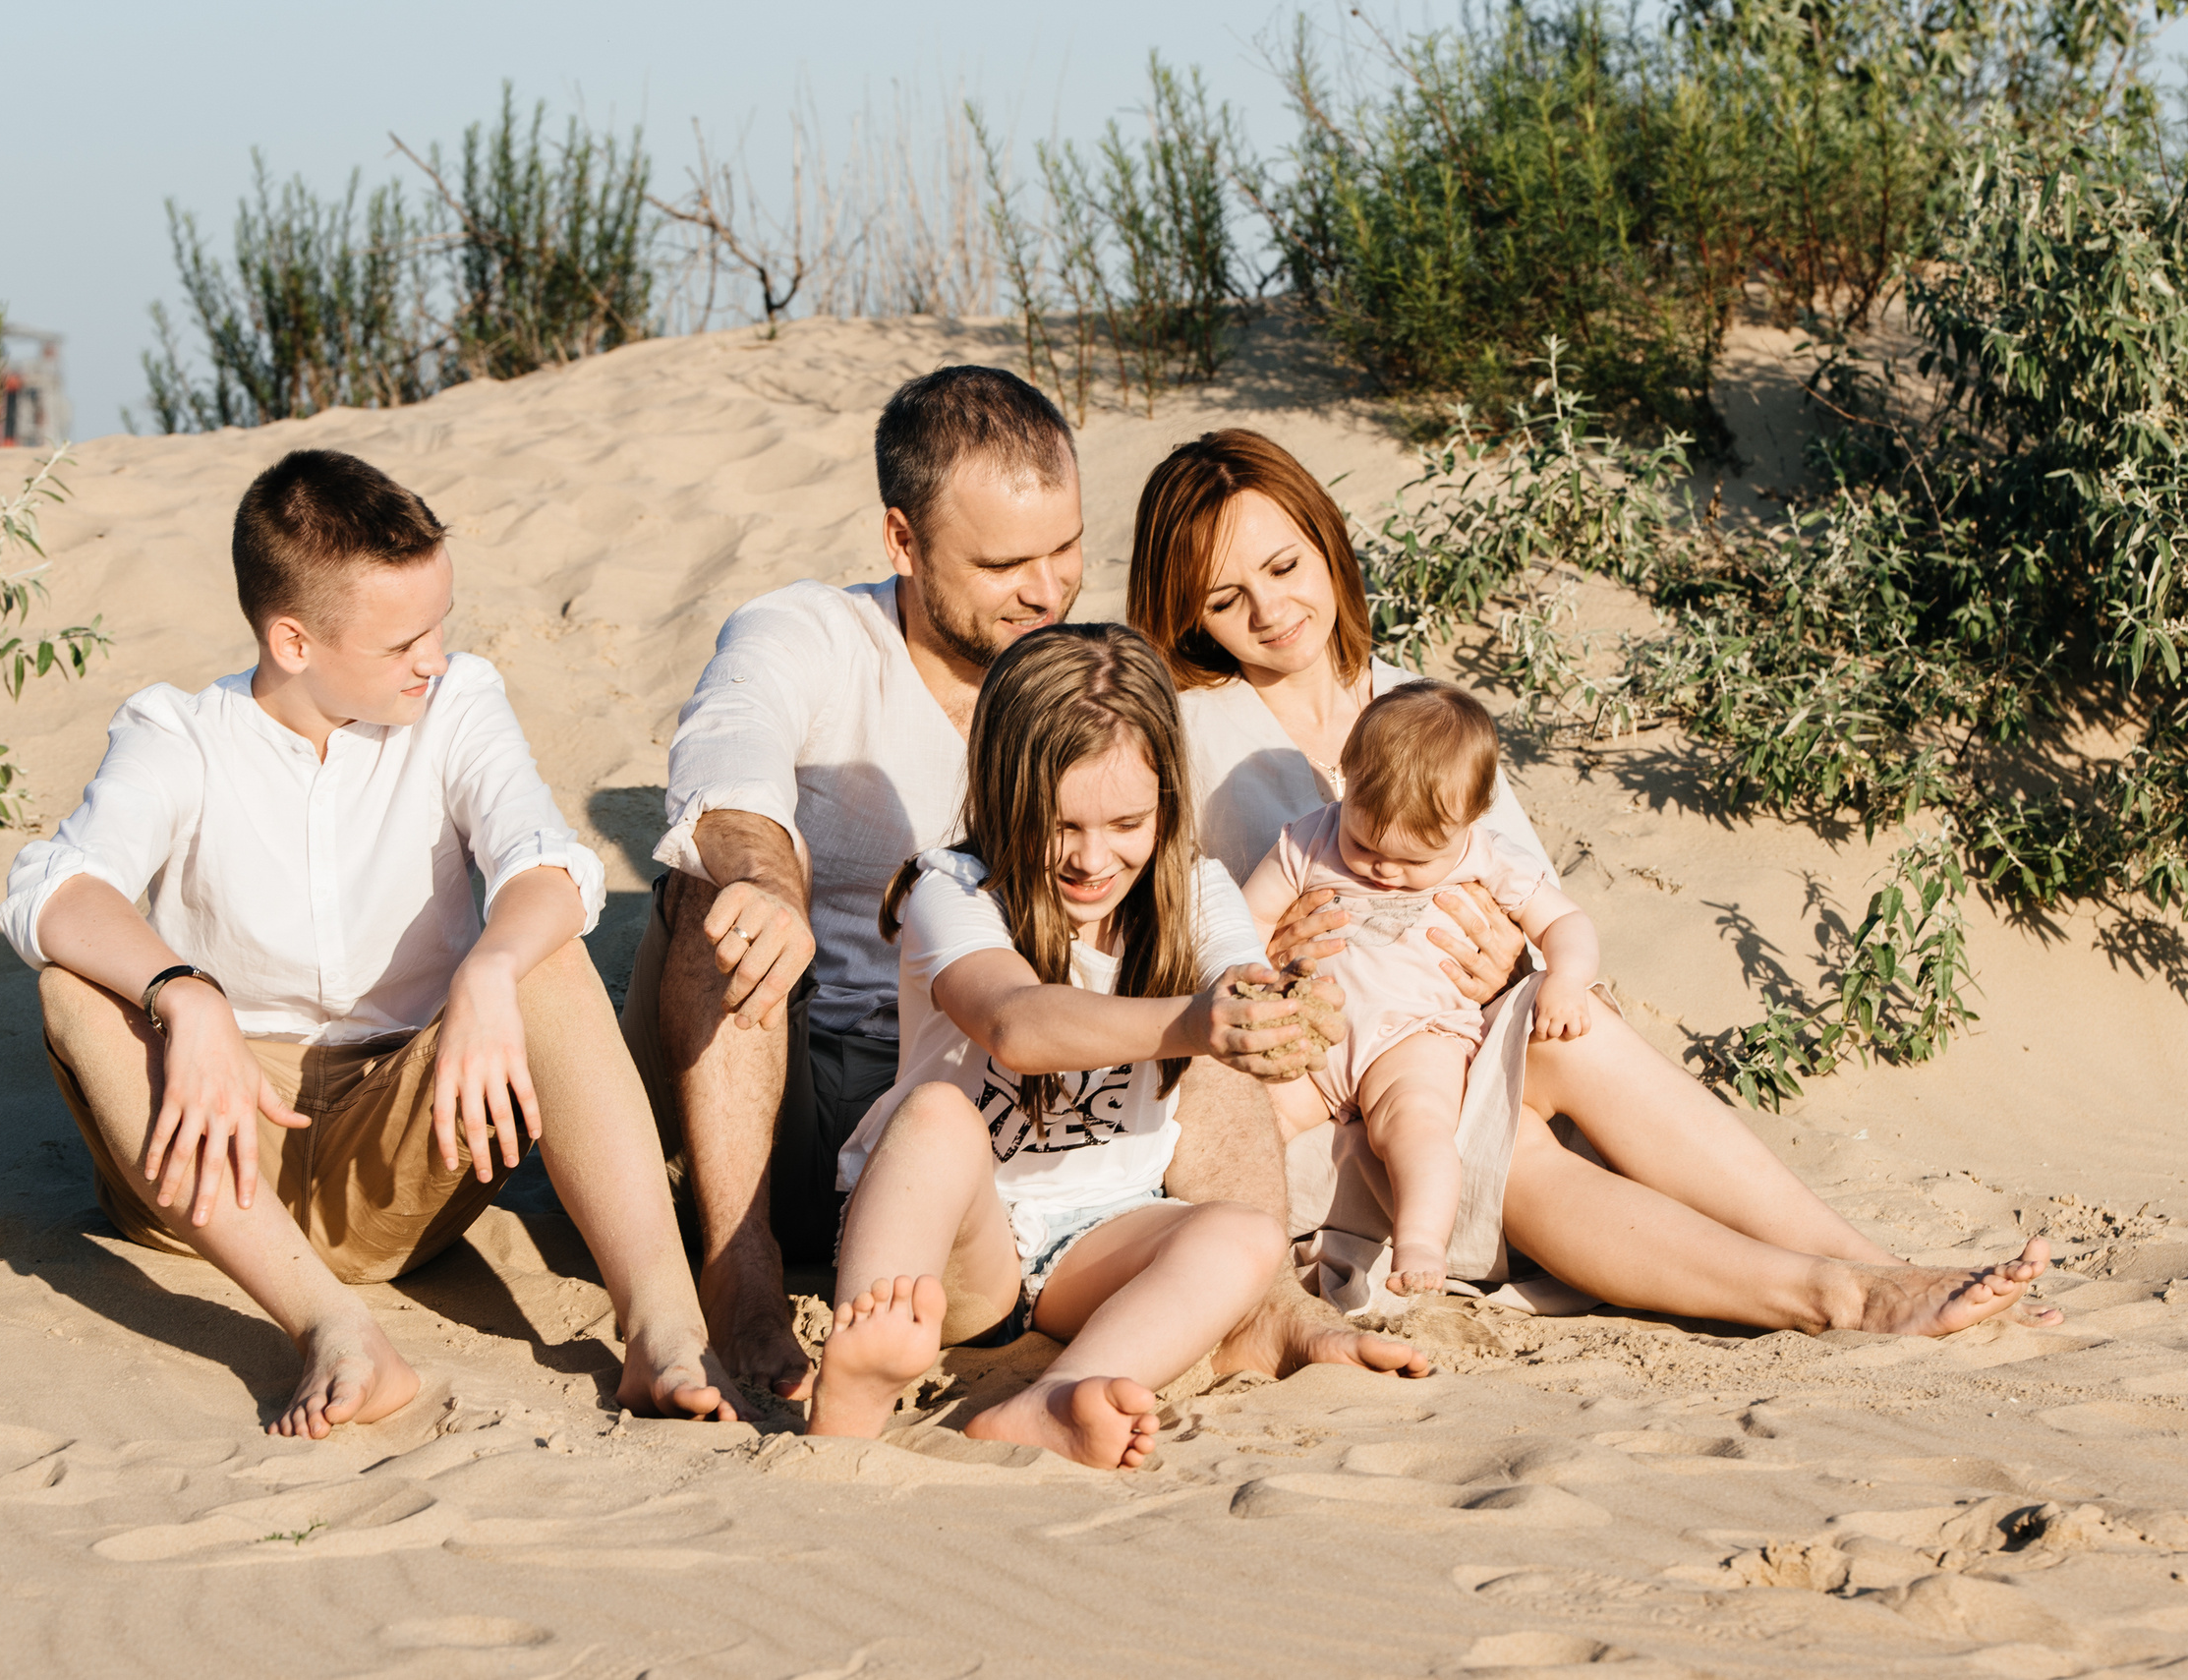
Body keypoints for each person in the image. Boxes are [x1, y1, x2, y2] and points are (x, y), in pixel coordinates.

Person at [1131, 428, 2061, 1333]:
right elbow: (1145, 947)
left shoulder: (1419, 705)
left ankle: (1869, 1267)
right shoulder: (1189, 736)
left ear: (1326, 542)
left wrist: (1509, 962)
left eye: (1286, 567)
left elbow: (1536, 910)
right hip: (1319, 1103)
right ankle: (1841, 1295)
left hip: (1451, 1039)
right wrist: (1245, 952)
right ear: (1189, 616)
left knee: (1560, 1027)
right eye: (1226, 596)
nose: (1270, 610)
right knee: (1496, 1140)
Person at [624, 368, 1426, 1401]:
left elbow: (1202, 873)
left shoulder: (1082, 687)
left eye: (1064, 550)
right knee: (711, 896)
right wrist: (768, 880)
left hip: (1018, 1102)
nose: (1046, 590)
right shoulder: (812, 635)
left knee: (1208, 1000)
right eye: (1004, 562)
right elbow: (726, 765)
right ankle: (741, 1280)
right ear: (902, 542)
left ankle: (1265, 1298)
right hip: (803, 1070)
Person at [0, 449, 732, 1439]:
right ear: (292, 639)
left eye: (439, 625)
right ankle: (334, 1329)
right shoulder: (178, 732)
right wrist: (186, 992)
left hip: (403, 1146)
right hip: (213, 1163)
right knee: (74, 989)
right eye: (400, 643)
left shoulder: (458, 701)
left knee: (541, 951)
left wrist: (489, 967)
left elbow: (549, 861)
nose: (430, 657)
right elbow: (54, 888)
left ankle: (665, 1330)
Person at [810, 626, 1291, 1468]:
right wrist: (1189, 1022)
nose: (1092, 858)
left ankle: (1057, 1394)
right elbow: (1014, 1023)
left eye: (1127, 822)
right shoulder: (952, 890)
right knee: (935, 1114)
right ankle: (859, 1380)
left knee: (1244, 1237)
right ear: (1002, 796)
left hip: (1102, 1239)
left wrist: (1282, 1013)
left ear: (1167, 802)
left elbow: (1246, 986)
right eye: (1059, 823)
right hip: (961, 1241)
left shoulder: (1195, 891)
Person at [1245, 681, 1600, 1297]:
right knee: (1253, 1120)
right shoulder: (1309, 838)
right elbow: (1247, 920)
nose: (1383, 869)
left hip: (1416, 1036)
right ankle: (1235, 1226)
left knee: (1418, 1125)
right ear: (1345, 781)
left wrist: (1566, 979)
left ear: (1471, 817)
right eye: (1364, 844)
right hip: (1315, 1034)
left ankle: (1421, 1243)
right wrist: (1256, 977)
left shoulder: (1488, 856)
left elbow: (1564, 921)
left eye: (1415, 861)